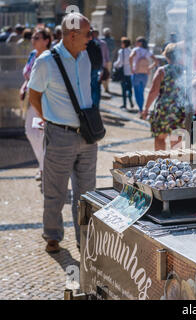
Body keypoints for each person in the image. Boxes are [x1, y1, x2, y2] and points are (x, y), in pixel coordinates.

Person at [28, 13, 97, 253]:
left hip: (87, 136)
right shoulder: (46, 61)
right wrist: (49, 119)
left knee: (86, 193)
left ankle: (85, 240)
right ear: (73, 35)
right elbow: (33, 94)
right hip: (60, 135)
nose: (92, 37)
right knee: (55, 190)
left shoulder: (87, 57)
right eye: (88, 33)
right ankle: (53, 235)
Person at [20, 28, 52, 182]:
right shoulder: (33, 55)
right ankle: (43, 166)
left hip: (43, 100)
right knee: (30, 132)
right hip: (30, 99)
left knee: (41, 134)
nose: (33, 40)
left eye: (37, 37)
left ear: (46, 40)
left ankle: (44, 168)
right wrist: (23, 86)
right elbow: (28, 76)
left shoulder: (49, 57)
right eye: (33, 37)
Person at [141, 43, 186, 151]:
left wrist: (146, 109)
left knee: (160, 138)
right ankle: (176, 165)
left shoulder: (162, 71)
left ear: (167, 56)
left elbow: (153, 91)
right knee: (176, 141)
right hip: (179, 110)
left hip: (163, 110)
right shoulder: (185, 72)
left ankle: (160, 163)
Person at [130, 36, 157, 116]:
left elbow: (130, 57)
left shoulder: (136, 50)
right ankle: (142, 108)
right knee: (141, 92)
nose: (135, 43)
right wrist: (149, 68)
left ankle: (141, 109)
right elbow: (156, 61)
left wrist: (132, 68)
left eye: (137, 42)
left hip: (136, 73)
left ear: (140, 43)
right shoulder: (147, 51)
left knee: (137, 92)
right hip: (145, 74)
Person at [113, 37, 134, 110]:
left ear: (124, 44)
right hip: (130, 72)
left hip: (123, 72)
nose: (121, 44)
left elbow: (120, 62)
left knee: (123, 88)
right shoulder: (131, 51)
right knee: (129, 87)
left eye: (122, 43)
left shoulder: (121, 51)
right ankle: (131, 100)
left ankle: (124, 104)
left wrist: (114, 65)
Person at [86, 28, 103, 108]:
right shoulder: (96, 44)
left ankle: (91, 105)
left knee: (90, 87)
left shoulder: (85, 44)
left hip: (88, 69)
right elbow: (100, 58)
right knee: (94, 87)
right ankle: (95, 105)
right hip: (94, 68)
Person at [92, 29, 110, 97]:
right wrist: (107, 63)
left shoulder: (92, 42)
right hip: (102, 64)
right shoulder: (103, 43)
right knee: (98, 81)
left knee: (94, 81)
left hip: (95, 65)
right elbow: (107, 54)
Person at [100, 27, 115, 94]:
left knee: (105, 73)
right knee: (106, 73)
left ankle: (106, 87)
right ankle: (105, 87)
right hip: (106, 59)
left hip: (106, 60)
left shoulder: (108, 40)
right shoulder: (102, 40)